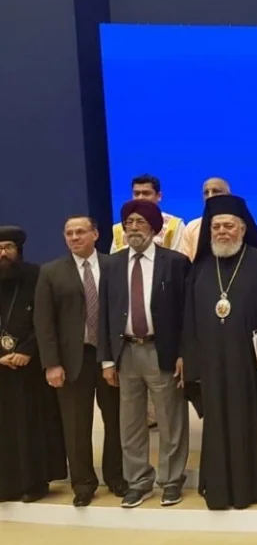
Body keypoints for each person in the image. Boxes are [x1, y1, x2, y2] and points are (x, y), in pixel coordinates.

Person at [182, 194, 257, 510]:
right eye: (217, 227)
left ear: (242, 228)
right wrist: (190, 359)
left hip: (249, 364)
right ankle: (218, 486)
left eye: (229, 226)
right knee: (216, 422)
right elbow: (189, 318)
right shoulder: (199, 268)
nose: (223, 232)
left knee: (248, 421)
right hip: (210, 362)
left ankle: (250, 487)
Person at [97, 200, 191, 508]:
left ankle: (172, 479)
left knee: (170, 420)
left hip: (161, 351)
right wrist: (108, 359)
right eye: (129, 223)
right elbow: (105, 315)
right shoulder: (111, 264)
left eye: (140, 222)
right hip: (126, 353)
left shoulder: (175, 262)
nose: (133, 227)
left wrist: (183, 353)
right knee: (131, 423)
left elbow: (186, 314)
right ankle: (138, 480)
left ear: (154, 227)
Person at [35, 216, 127, 507]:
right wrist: (51, 363)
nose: (74, 237)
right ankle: (83, 483)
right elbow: (44, 321)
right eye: (69, 233)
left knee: (116, 420)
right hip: (73, 359)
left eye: (80, 232)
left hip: (110, 356)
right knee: (76, 424)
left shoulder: (115, 266)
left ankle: (115, 476)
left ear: (95, 234)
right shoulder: (51, 272)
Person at [0, 226, 66, 503]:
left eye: (8, 248)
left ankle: (35, 483)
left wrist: (27, 350)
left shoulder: (36, 276)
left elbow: (48, 319)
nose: (3, 253)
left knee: (32, 425)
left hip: (31, 366)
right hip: (1, 367)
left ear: (19, 250)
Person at [110, 174, 185, 253]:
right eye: (136, 193)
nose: (140, 198)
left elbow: (178, 261)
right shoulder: (120, 228)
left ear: (159, 196)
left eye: (146, 193)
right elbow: (113, 262)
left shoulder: (174, 225)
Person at [180, 176, 231, 261]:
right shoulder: (192, 227)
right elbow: (185, 263)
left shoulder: (240, 224)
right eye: (206, 193)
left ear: (228, 196)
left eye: (216, 191)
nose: (210, 196)